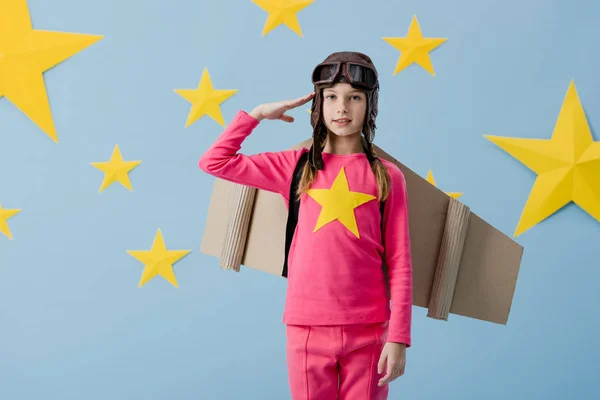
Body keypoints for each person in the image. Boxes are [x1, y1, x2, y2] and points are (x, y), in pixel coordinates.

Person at [199, 51, 413, 400]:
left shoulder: (387, 177)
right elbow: (215, 162)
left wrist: (399, 337)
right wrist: (255, 116)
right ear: (318, 104)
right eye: (331, 97)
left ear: (370, 105)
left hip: (372, 330)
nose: (342, 107)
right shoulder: (295, 167)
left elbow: (401, 262)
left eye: (354, 98)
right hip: (306, 328)